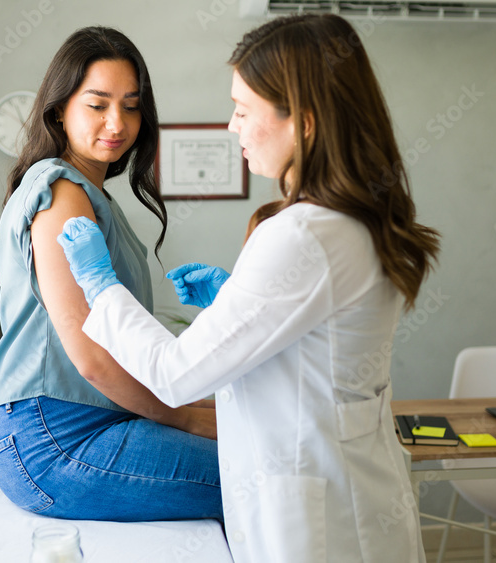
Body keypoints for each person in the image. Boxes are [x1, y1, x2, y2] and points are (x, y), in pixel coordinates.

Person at [57, 14, 440, 562]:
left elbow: (176, 373)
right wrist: (237, 303)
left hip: (319, 522)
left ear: (303, 122)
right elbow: (316, 342)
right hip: (354, 497)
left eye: (243, 110)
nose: (232, 126)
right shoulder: (352, 219)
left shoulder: (302, 234)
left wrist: (100, 285)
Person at [0, 26, 223, 522]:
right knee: (261, 474)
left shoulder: (89, 193)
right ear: (59, 110)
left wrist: (198, 405)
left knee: (255, 446)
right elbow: (90, 358)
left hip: (90, 422)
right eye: (98, 104)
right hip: (56, 441)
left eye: (131, 105)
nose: (117, 122)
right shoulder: (64, 196)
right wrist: (186, 419)